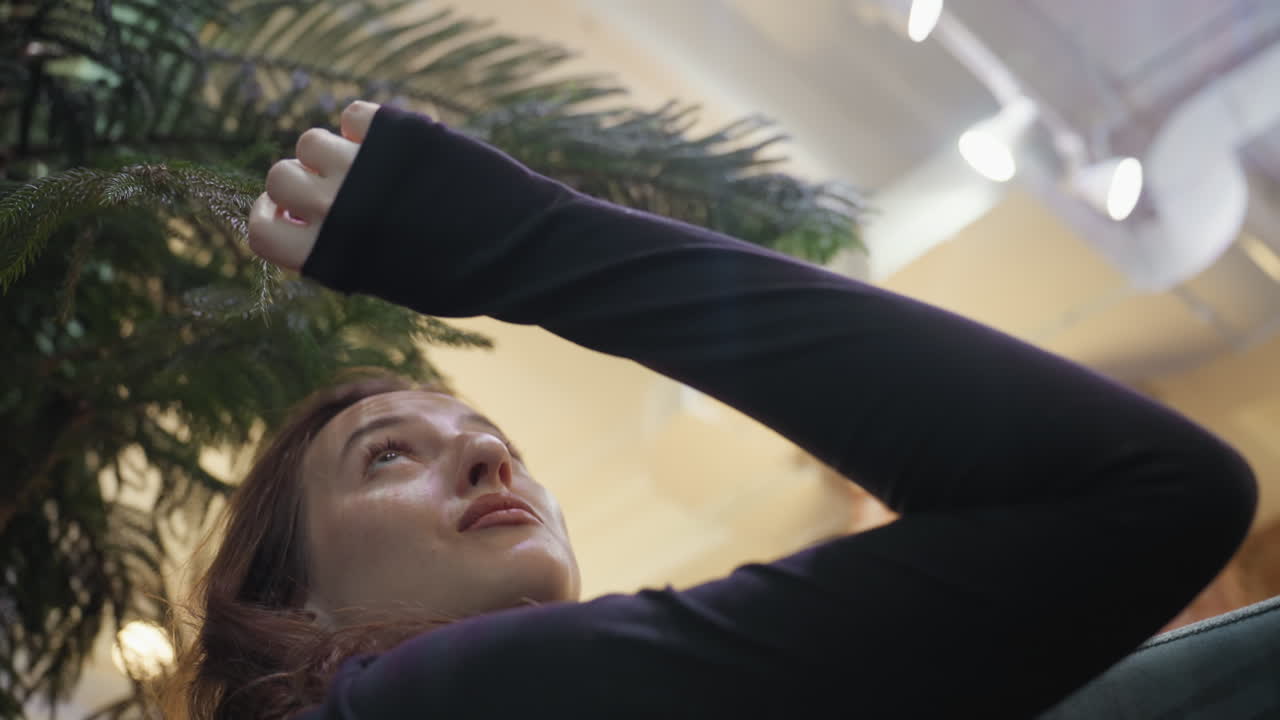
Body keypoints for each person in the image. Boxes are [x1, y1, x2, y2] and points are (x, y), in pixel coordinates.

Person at [163, 100, 1258, 719]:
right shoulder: (430, 701)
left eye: (497, 446)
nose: (492, 466)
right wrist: (527, 245)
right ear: (287, 606)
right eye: (387, 455)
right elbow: (1141, 492)